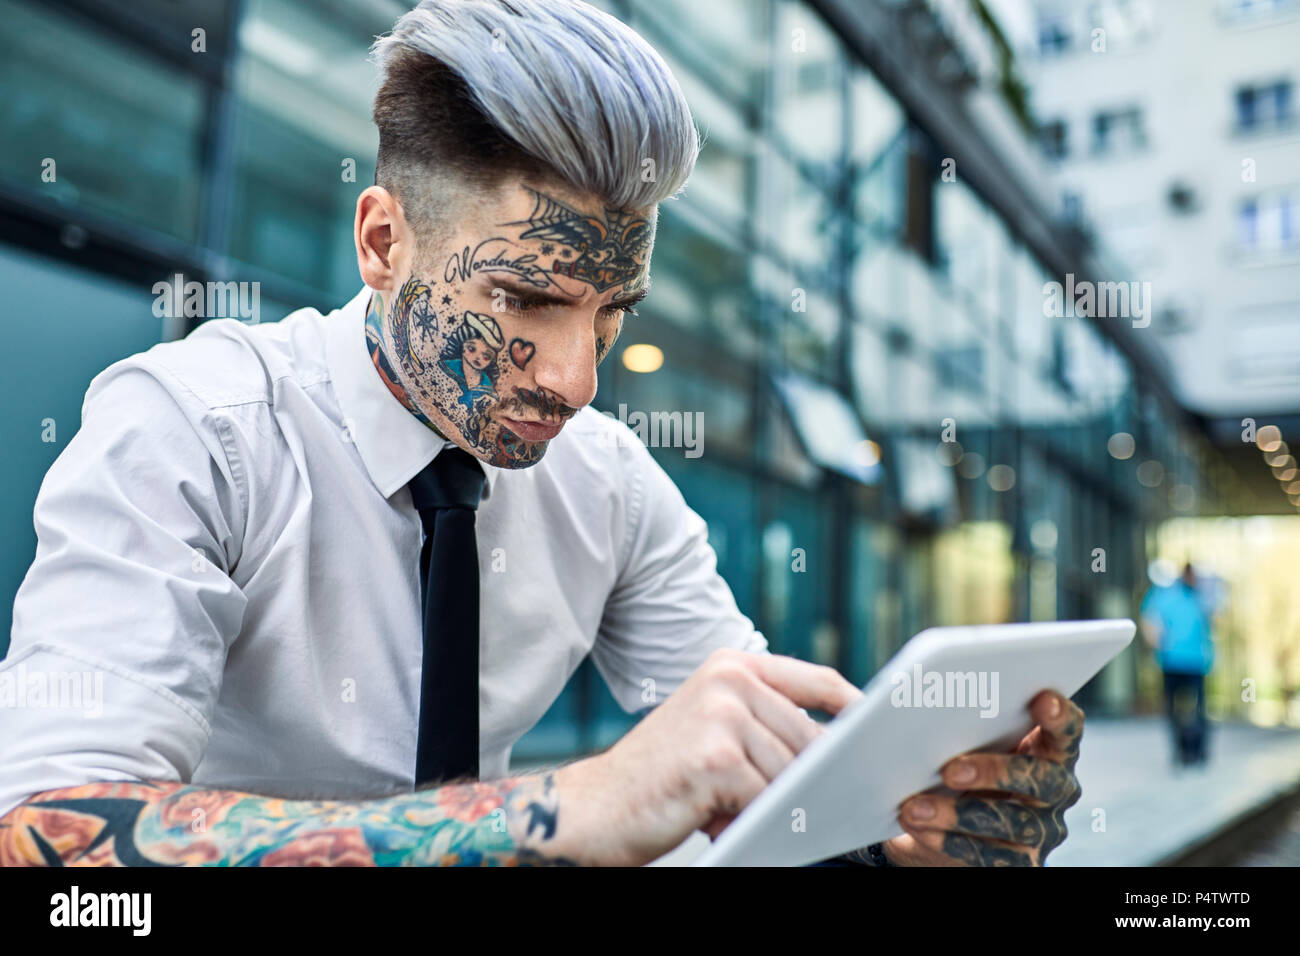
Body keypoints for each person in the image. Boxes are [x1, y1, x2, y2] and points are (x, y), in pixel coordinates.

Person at [0, 0, 1084, 867]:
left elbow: (772, 781)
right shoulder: (192, 427)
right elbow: (47, 844)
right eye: (526, 298)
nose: (575, 379)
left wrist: (911, 832)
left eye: (612, 316)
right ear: (383, 241)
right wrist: (564, 809)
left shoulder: (608, 487)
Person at [1141, 562, 1215, 767]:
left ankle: (1198, 752)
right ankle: (1179, 751)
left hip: (1196, 662)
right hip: (1172, 660)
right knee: (1173, 710)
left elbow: (1214, 618)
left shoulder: (1201, 597)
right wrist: (1156, 643)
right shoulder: (1165, 595)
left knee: (1198, 710)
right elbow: (1149, 619)